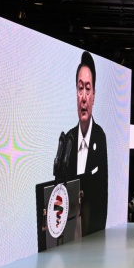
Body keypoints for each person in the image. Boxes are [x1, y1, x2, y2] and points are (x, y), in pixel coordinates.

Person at [53, 51, 108, 236]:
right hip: (68, 232)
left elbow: (103, 196)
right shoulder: (68, 139)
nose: (83, 97)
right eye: (80, 88)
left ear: (94, 95)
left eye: (88, 89)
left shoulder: (100, 137)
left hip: (92, 234)